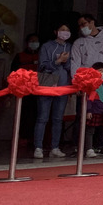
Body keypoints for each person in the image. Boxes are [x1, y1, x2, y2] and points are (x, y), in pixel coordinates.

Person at [71, 13, 103, 142]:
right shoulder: (79, 42)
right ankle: (81, 145)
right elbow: (75, 64)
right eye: (80, 25)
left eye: (84, 24)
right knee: (83, 115)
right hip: (86, 84)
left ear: (92, 22)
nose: (82, 27)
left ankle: (101, 145)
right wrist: (76, 83)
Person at [32, 23, 73, 159]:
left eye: (67, 30)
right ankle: (38, 147)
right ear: (55, 31)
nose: (65, 32)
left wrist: (65, 62)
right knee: (42, 117)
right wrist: (57, 61)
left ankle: (55, 147)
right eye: (62, 30)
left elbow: (70, 67)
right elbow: (42, 65)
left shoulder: (70, 47)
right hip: (47, 82)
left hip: (63, 84)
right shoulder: (46, 46)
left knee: (58, 118)